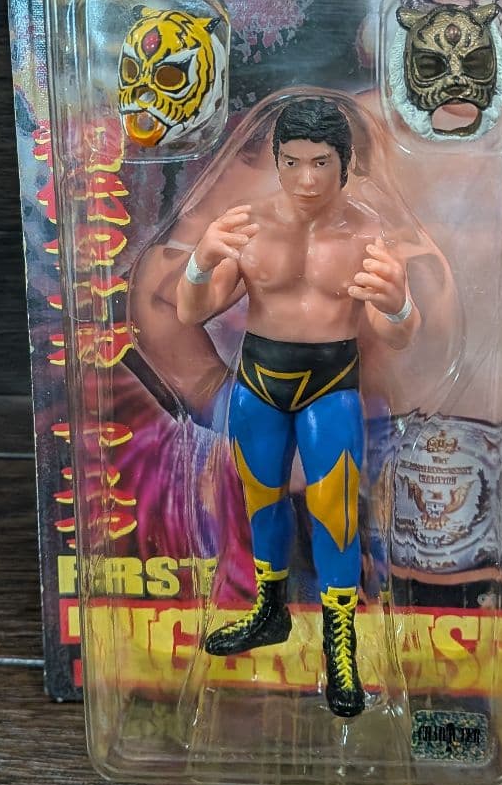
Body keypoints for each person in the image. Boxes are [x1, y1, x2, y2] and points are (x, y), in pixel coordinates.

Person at [176, 95, 419, 717]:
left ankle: (341, 645)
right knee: (262, 500)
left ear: (346, 163)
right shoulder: (249, 224)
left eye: (320, 163)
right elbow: (191, 311)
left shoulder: (367, 233)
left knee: (335, 511)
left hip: (331, 383)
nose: (306, 179)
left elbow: (395, 335)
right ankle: (270, 611)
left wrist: (397, 303)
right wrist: (201, 262)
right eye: (292, 162)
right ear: (277, 159)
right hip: (258, 380)